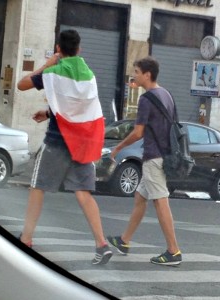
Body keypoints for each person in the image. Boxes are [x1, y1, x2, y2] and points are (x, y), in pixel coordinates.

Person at [17, 29, 113, 265]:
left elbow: (21, 85)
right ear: (79, 49)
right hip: (81, 144)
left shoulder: (53, 71)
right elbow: (77, 108)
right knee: (83, 193)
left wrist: (47, 63)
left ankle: (26, 240)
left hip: (57, 143)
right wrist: (50, 112)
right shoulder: (88, 74)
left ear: (58, 49)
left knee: (37, 188)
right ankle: (101, 243)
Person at [107, 56, 182, 266]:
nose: (134, 75)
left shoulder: (146, 99)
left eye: (137, 72)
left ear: (147, 75)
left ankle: (173, 251)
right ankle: (124, 240)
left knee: (160, 201)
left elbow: (138, 132)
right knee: (140, 196)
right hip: (165, 155)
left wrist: (119, 147)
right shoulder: (166, 94)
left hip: (153, 157)